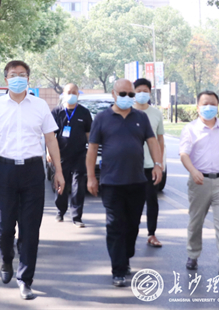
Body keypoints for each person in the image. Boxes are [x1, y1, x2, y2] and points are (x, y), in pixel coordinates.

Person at [0, 60, 65, 300]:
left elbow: (51, 140)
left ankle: (25, 280)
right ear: (6, 79)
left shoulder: (40, 106)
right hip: (6, 170)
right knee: (5, 227)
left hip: (33, 171)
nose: (17, 78)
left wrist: (58, 171)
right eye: (13, 74)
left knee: (30, 229)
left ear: (28, 79)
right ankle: (7, 259)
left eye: (22, 74)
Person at [86, 78, 163, 288]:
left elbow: (153, 141)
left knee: (132, 225)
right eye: (123, 94)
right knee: (115, 225)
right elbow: (92, 149)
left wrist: (158, 164)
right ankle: (118, 270)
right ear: (113, 94)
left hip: (137, 181)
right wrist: (91, 177)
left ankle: (126, 256)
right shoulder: (102, 118)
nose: (127, 98)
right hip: (111, 182)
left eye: (131, 94)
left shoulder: (141, 118)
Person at [179, 91, 219, 281]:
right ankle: (193, 254)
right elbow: (184, 154)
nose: (209, 107)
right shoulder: (190, 129)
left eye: (212, 104)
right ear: (197, 107)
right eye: (205, 104)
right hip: (199, 182)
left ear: (218, 107)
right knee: (196, 222)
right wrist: (193, 171)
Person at [49, 83, 92, 228]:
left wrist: (91, 152)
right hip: (61, 155)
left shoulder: (84, 113)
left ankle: (76, 216)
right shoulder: (57, 112)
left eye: (74, 92)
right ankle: (60, 211)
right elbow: (50, 135)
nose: (72, 95)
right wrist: (49, 152)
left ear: (78, 94)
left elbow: (89, 134)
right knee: (61, 183)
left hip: (80, 155)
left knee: (78, 186)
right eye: (69, 92)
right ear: (63, 94)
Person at [133, 78, 165, 248]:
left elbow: (160, 140)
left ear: (150, 93)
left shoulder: (156, 113)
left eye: (145, 91)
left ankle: (151, 234)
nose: (142, 94)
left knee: (152, 200)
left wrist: (158, 163)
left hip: (150, 166)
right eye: (138, 91)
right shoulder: (128, 112)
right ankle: (130, 232)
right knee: (132, 201)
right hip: (132, 166)